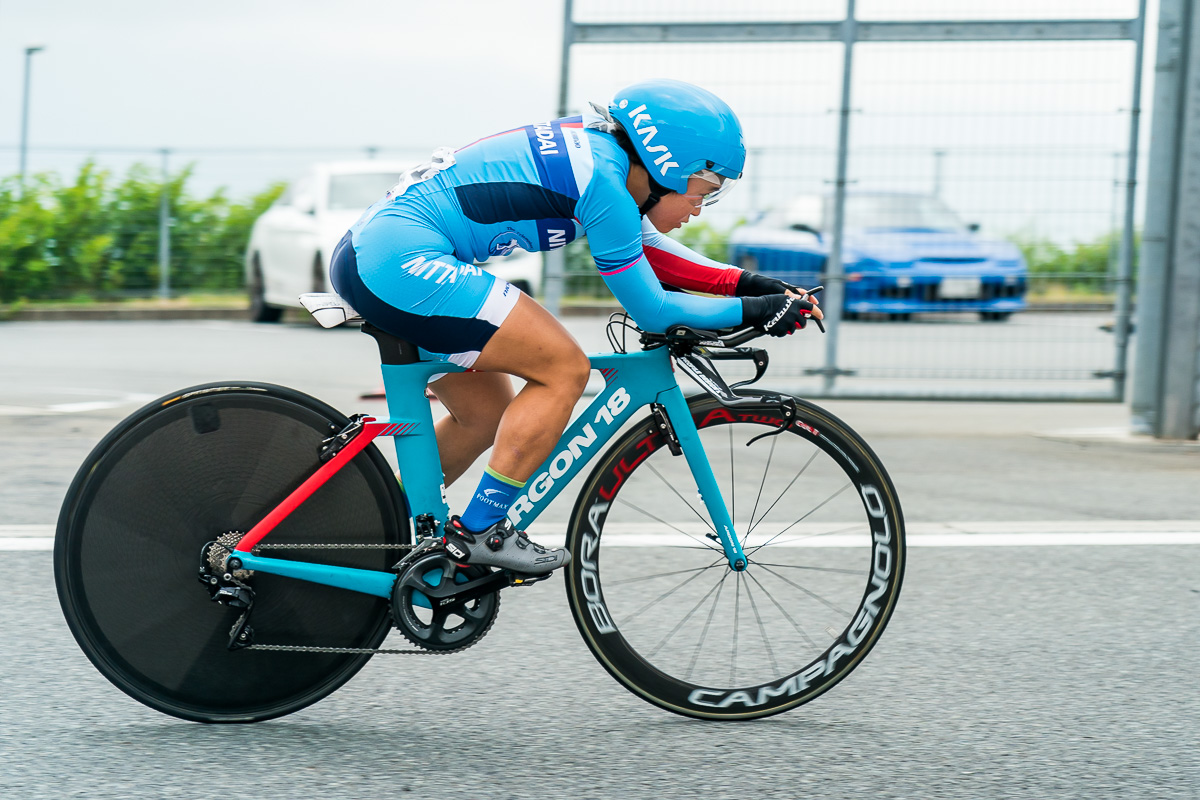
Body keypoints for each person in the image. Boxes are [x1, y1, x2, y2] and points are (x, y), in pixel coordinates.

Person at [329, 78, 822, 577]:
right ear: (665, 167)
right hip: (399, 262)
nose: (699, 208)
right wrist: (757, 310)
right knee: (564, 369)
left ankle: (357, 533)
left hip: (378, 256)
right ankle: (479, 532)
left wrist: (753, 285)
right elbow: (653, 310)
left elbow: (649, 249)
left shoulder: (602, 158)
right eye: (704, 191)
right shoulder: (604, 184)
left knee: (486, 415)